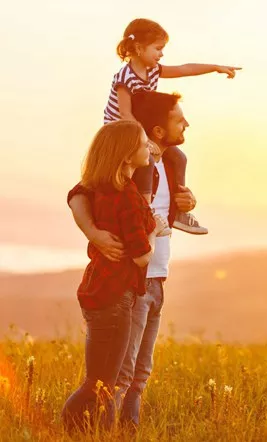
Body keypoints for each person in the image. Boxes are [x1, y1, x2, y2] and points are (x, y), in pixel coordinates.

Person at [68, 90, 198, 430]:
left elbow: (159, 220)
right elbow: (80, 194)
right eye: (178, 119)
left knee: (140, 373)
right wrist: (94, 233)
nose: (186, 123)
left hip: (155, 278)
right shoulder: (125, 177)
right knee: (117, 375)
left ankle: (126, 431)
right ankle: (99, 431)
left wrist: (186, 205)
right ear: (156, 130)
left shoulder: (170, 165)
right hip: (130, 281)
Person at [61, 119, 168, 433]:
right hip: (116, 297)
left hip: (98, 290)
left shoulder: (107, 190)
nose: (148, 147)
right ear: (125, 155)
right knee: (103, 383)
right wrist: (155, 230)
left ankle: (79, 430)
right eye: (142, 142)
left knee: (98, 380)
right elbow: (141, 256)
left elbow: (78, 193)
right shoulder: (127, 198)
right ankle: (76, 429)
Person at [104, 17, 241, 235]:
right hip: (121, 131)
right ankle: (146, 212)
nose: (161, 54)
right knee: (147, 160)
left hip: (141, 129)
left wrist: (215, 67)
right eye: (157, 49)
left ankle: (178, 212)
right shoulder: (125, 77)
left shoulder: (154, 70)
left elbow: (185, 69)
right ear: (139, 48)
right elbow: (125, 114)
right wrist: (144, 140)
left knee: (179, 157)